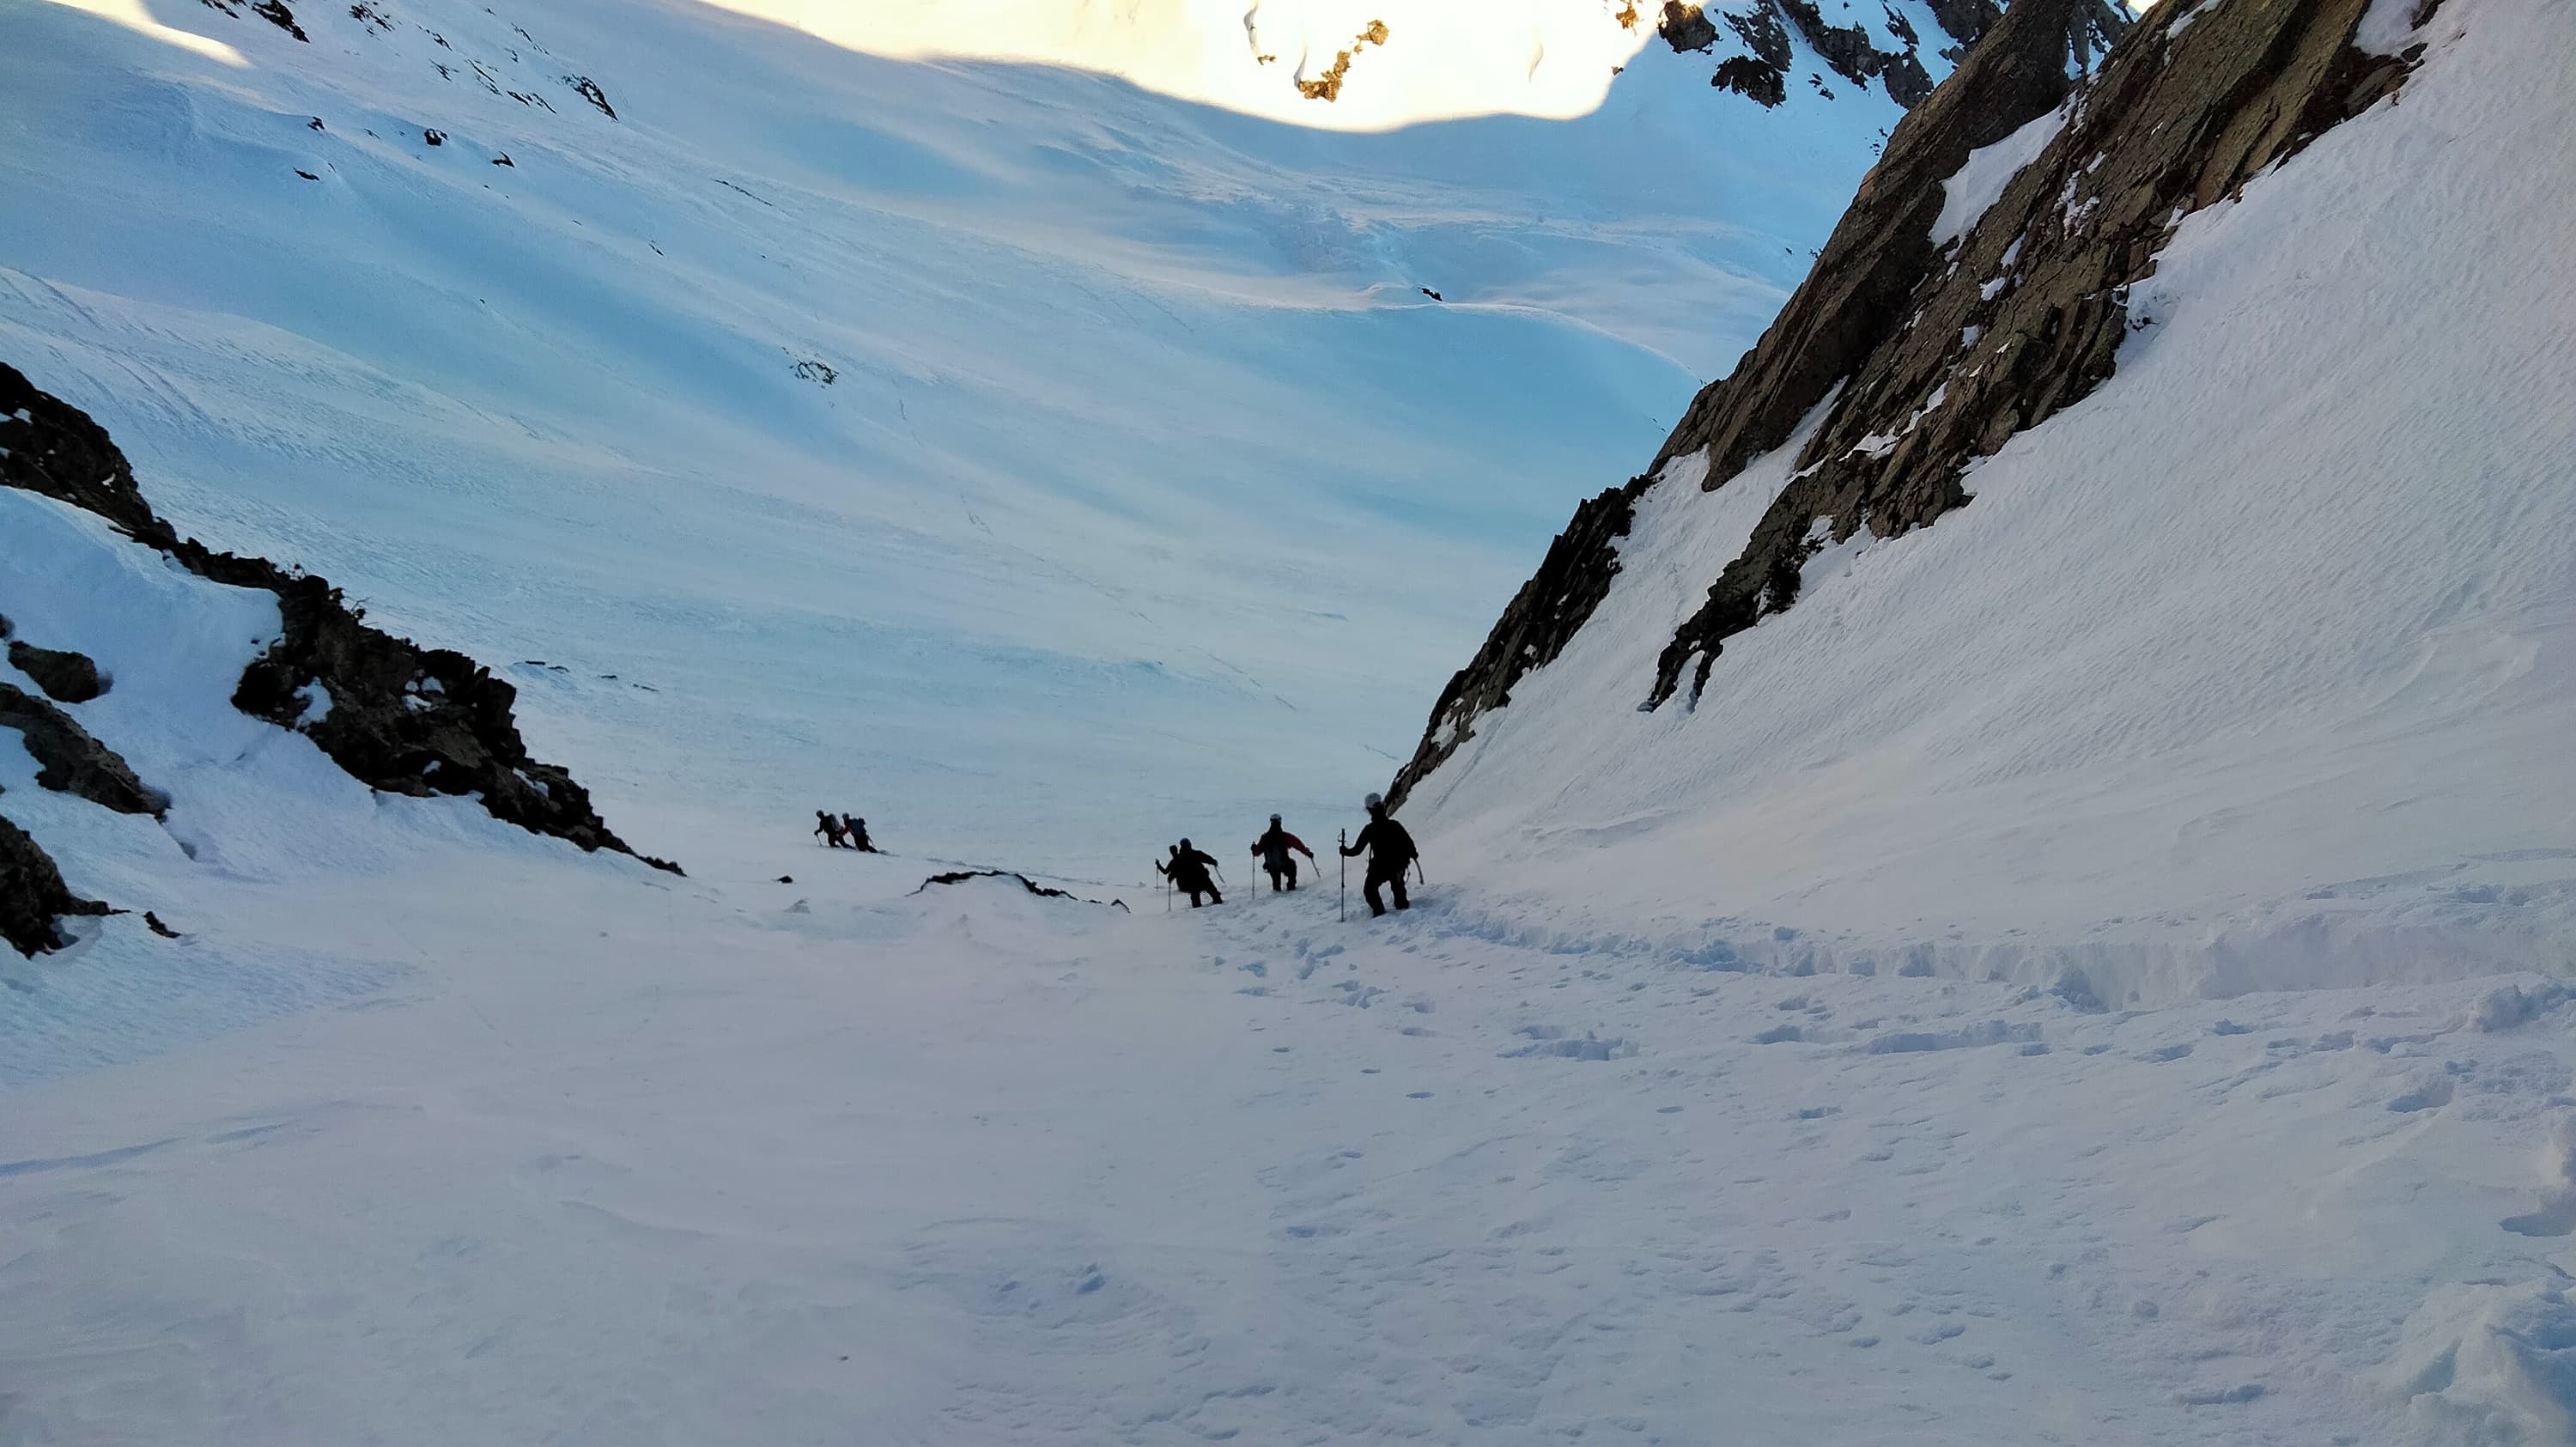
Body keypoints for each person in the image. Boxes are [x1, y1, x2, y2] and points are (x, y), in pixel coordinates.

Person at [1340, 793, 1416, 917]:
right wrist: (1413, 854)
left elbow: (1356, 851)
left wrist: (1344, 851)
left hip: (1379, 867)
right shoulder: (1395, 825)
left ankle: (1380, 912)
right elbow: (1409, 843)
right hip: (1397, 865)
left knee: (1369, 890)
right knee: (1398, 886)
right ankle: (1403, 908)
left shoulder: (1370, 829)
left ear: (1370, 810)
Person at [1249, 814, 1315, 892]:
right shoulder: (1285, 836)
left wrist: (1254, 848)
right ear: (1280, 822)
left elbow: (1257, 852)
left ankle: (1276, 893)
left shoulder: (1265, 837)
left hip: (1271, 866)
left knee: (1276, 883)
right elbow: (1298, 845)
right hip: (1285, 864)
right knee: (1292, 865)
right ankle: (1291, 887)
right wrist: (1308, 853)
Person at [1158, 837, 1224, 907]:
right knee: (1214, 893)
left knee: (1195, 898)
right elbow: (1208, 859)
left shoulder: (1177, 859)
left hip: (1189, 882)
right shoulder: (1196, 854)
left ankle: (1197, 912)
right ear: (1190, 844)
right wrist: (1214, 862)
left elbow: (1169, 871)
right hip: (1202, 878)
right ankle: (1218, 904)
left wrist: (1169, 875)